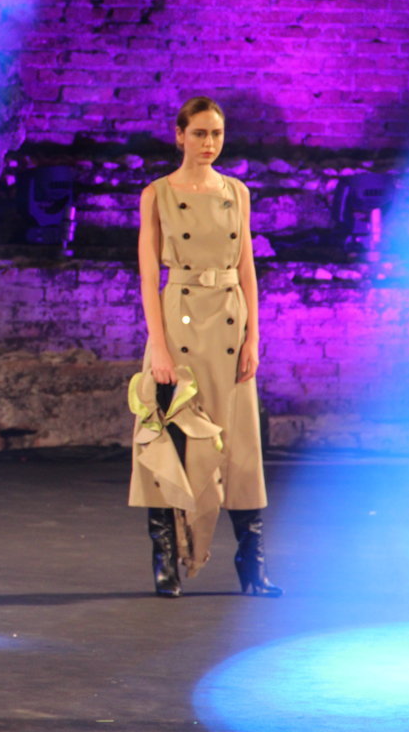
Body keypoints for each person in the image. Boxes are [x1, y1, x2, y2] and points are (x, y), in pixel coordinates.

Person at [129, 96, 282, 598]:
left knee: (241, 446)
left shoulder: (237, 192)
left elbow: (247, 267)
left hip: (230, 325)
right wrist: (159, 347)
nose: (209, 143)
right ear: (179, 136)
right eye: (199, 133)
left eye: (216, 133)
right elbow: (149, 276)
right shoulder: (157, 193)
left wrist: (254, 336)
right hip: (180, 325)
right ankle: (166, 560)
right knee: (172, 440)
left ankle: (252, 562)